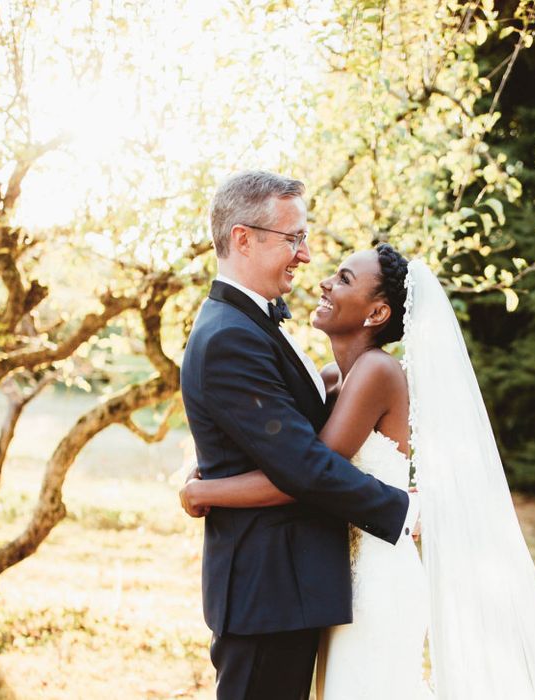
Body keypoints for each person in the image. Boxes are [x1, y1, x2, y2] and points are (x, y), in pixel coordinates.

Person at [182, 241, 535, 699]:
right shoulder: (332, 378)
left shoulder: (376, 372)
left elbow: (306, 472)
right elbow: (279, 443)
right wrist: (208, 464)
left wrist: (207, 492)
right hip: (337, 575)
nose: (326, 283)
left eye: (345, 280)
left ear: (376, 314)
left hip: (377, 578)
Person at [178, 171, 419, 700]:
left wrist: (207, 486)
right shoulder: (230, 337)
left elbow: (288, 445)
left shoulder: (251, 326)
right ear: (244, 238)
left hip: (289, 589)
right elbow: (303, 464)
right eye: (294, 239)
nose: (306, 256)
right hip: (270, 592)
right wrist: (405, 510)